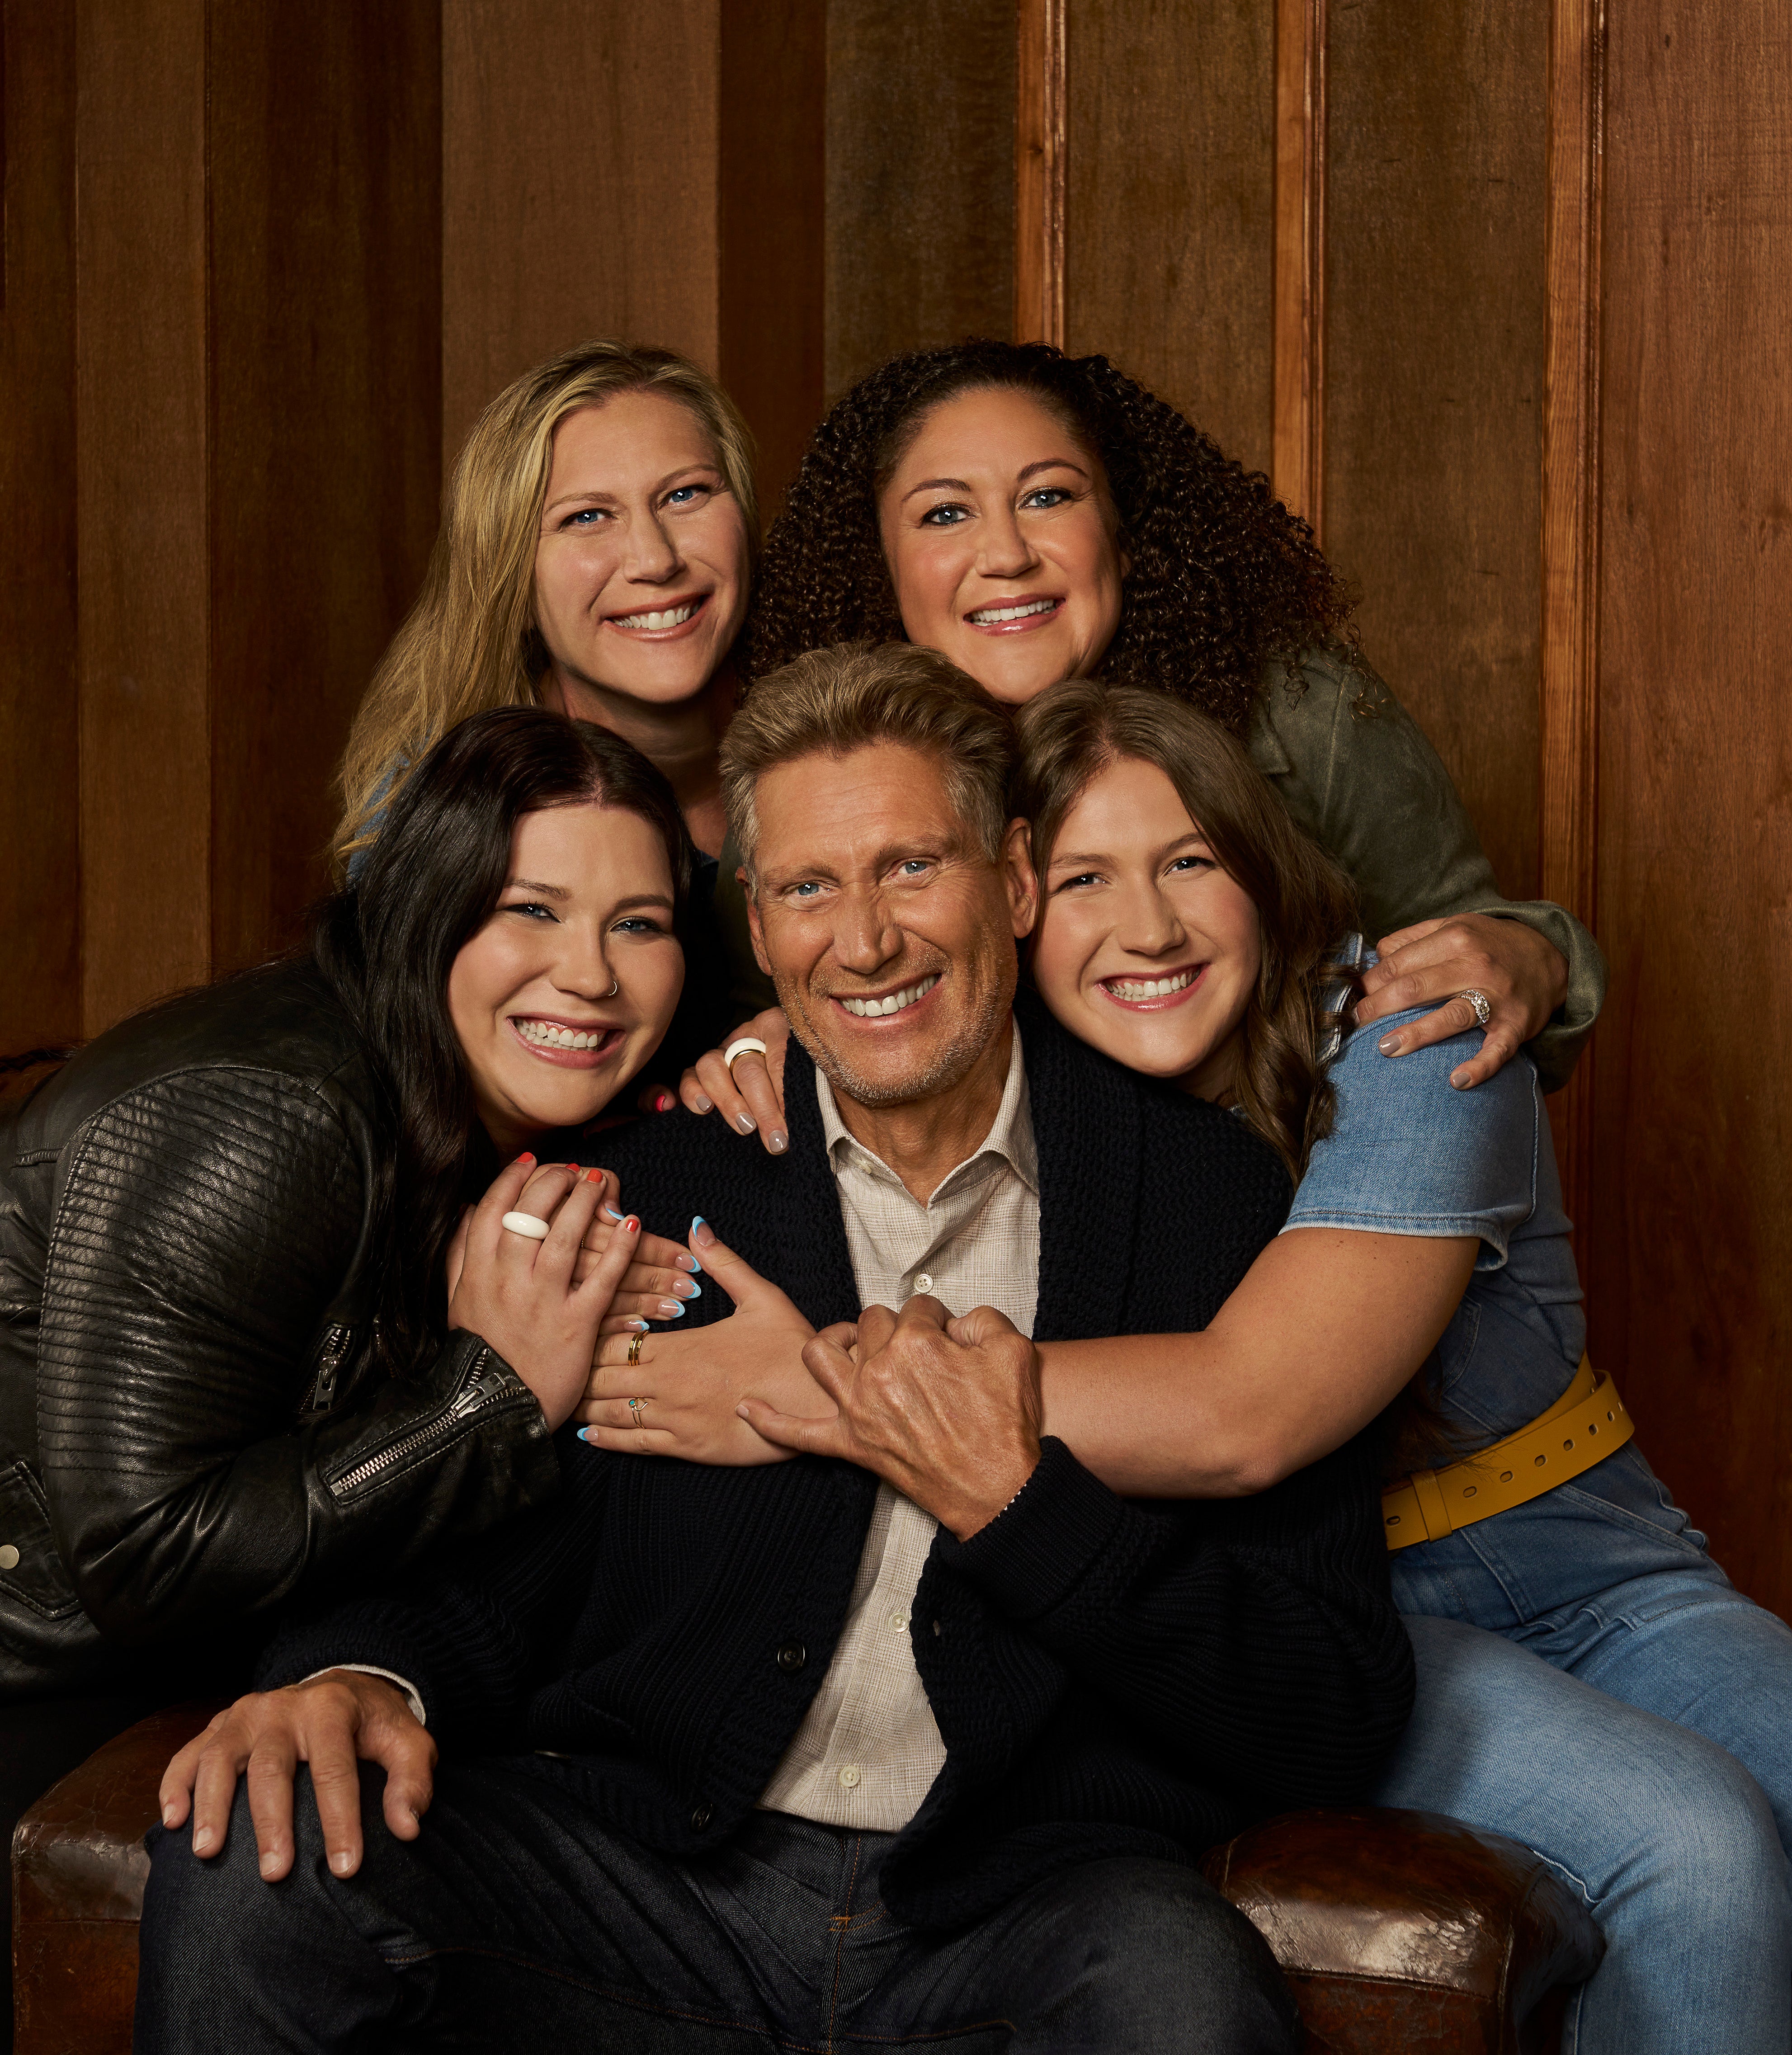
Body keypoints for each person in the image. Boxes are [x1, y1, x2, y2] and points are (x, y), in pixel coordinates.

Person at [137, 645, 1412, 2055]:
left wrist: (1025, 1506)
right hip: (655, 1887)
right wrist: (350, 1681)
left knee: (1183, 1992)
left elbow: (1332, 1705)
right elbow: (482, 1561)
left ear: (1018, 876)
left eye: (911, 869)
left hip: (1021, 1909)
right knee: (262, 1874)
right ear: (757, 918)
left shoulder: (1212, 1204)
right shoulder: (659, 1183)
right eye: (810, 886)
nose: (863, 941)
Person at [995, 679, 1792, 2054]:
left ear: (1263, 868)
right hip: (1349, 1615)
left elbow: (1249, 1406)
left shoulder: (1418, 1028)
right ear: (1016, 905)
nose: (1148, 925)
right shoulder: (1039, 1093)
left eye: (1192, 859)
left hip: (1587, 1568)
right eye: (1087, 877)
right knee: (1697, 1845)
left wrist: (853, 1380)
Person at [0, 707, 698, 2024]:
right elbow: (143, 1548)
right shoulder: (271, 1109)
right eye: (528, 910)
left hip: (230, 1646)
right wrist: (489, 1392)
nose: (592, 975)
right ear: (425, 913)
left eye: (640, 924)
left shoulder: (490, 1105)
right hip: (39, 1669)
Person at [690, 337, 1603, 1155]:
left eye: (1047, 495)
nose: (1005, 553)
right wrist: (750, 1042)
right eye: (943, 514)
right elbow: (755, 998)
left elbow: (1467, 953)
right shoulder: (811, 780)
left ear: (1124, 540)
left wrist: (1534, 958)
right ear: (879, 569)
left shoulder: (1298, 712)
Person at [335, 338, 764, 1052]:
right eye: (586, 517)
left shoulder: (845, 739)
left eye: (685, 494)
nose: (655, 560)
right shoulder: (436, 810)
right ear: (514, 579)